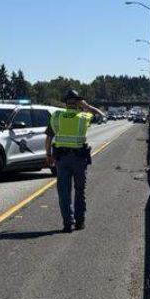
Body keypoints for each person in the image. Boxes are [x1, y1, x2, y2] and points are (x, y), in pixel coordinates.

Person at [46, 89, 104, 233]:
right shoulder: (83, 116)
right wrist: (86, 105)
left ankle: (67, 224)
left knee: (64, 193)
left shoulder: (57, 116)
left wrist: (48, 155)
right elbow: (102, 116)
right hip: (79, 159)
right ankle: (80, 222)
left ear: (65, 103)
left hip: (62, 160)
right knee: (79, 191)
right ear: (78, 103)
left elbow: (48, 137)